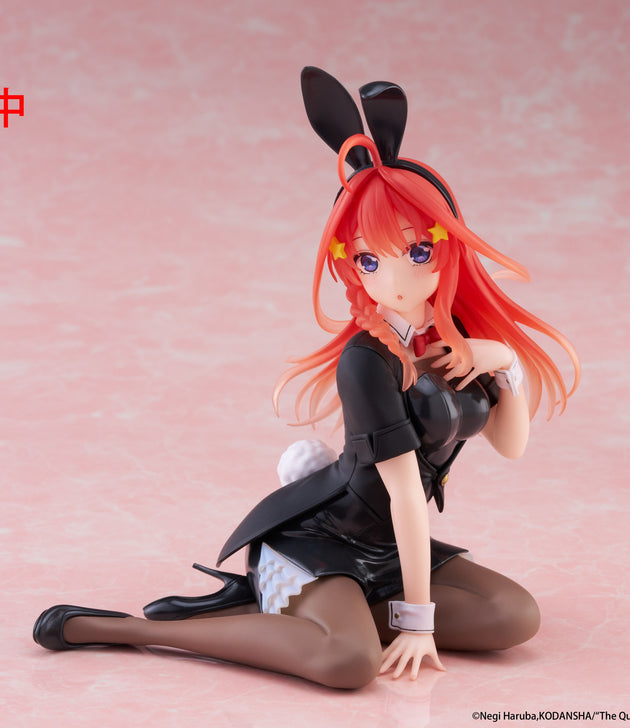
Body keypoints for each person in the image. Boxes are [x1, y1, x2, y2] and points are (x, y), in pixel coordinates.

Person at [33, 68, 580, 689]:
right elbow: (405, 492)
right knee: (348, 664)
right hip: (319, 539)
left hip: (390, 549)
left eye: (416, 251)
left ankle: (334, 619)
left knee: (513, 616)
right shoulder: (366, 360)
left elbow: (510, 445)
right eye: (369, 260)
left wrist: (504, 361)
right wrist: (418, 623)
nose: (395, 280)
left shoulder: (455, 337)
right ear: (351, 268)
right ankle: (130, 630)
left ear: (447, 243)